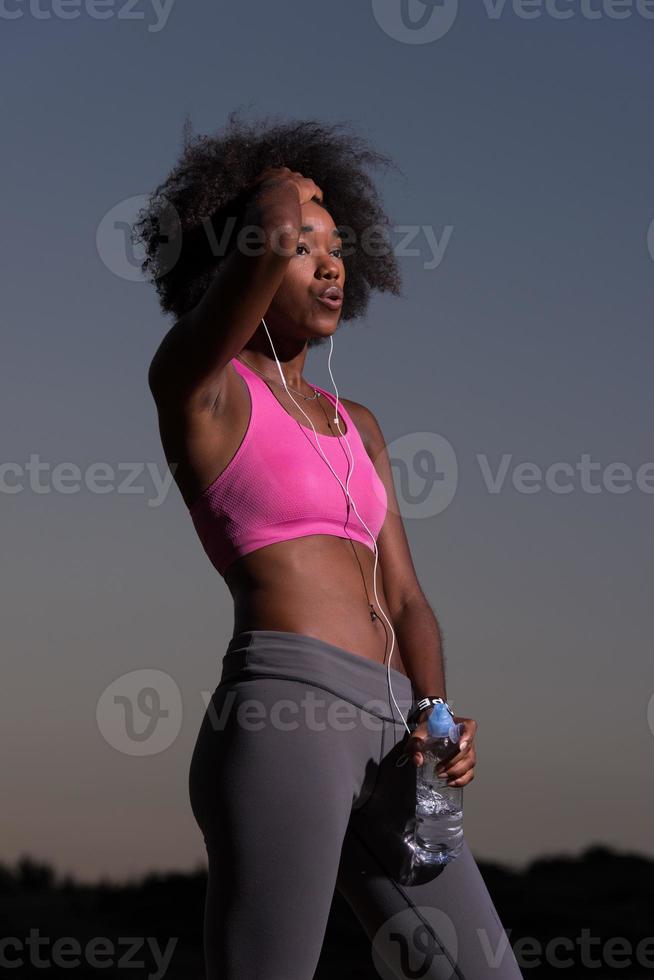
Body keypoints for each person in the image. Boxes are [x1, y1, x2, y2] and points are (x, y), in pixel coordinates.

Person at [138, 110, 524, 980]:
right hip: (285, 718)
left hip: (396, 737)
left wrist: (434, 717)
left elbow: (409, 601)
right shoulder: (200, 390)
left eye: (337, 244)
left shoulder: (361, 425)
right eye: (304, 243)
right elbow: (269, 228)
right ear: (240, 257)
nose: (329, 261)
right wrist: (283, 189)